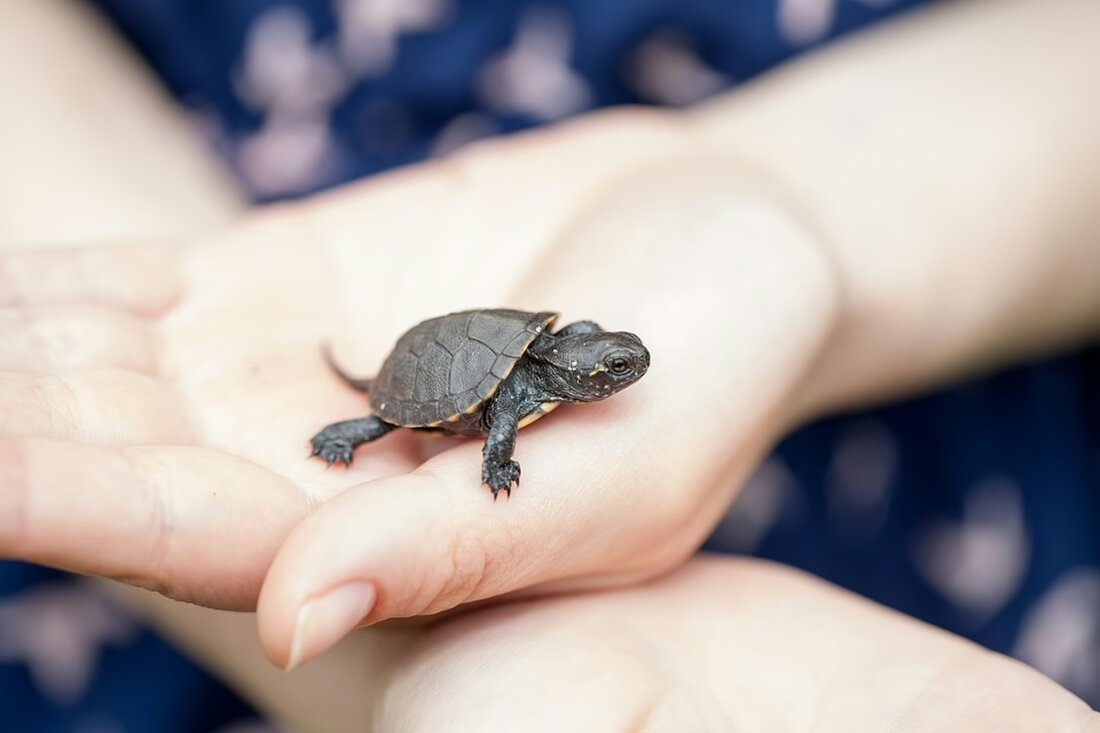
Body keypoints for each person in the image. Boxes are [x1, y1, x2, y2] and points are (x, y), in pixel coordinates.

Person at [0, 0, 1097, 730]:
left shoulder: (559, 361)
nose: (612, 374)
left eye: (607, 367)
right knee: (376, 425)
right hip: (202, 619)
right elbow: (495, 413)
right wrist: (392, 644)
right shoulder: (518, 394)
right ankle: (349, 427)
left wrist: (791, 196)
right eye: (605, 367)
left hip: (961, 424)